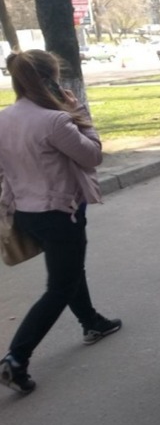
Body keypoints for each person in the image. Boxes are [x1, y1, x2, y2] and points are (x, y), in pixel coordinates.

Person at [0, 50, 121, 395]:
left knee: (68, 269)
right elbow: (92, 156)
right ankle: (16, 359)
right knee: (60, 286)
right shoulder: (55, 121)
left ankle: (91, 322)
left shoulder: (4, 118)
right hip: (59, 213)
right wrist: (78, 110)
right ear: (50, 80)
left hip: (26, 212)